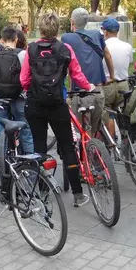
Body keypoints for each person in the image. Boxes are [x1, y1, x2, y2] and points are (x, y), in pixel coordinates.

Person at [21, 13, 94, 208]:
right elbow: (77, 74)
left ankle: (43, 192)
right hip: (57, 104)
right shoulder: (65, 49)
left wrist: (32, 90)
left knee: (39, 147)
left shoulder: (31, 49)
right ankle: (78, 194)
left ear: (41, 28)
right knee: (67, 146)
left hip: (35, 104)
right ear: (57, 29)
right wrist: (89, 87)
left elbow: (24, 79)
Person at [61, 8, 115, 136]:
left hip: (78, 91)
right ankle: (98, 149)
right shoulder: (97, 34)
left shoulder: (66, 38)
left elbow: (68, 65)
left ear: (72, 21)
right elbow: (107, 55)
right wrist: (112, 76)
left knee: (80, 130)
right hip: (97, 88)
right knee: (97, 126)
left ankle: (84, 151)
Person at [0, 26, 33, 154]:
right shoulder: (23, 55)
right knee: (26, 130)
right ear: (16, 39)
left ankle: (4, 164)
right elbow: (28, 78)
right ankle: (30, 164)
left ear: (2, 40)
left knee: (2, 131)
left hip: (0, 98)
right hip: (19, 97)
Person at [100, 18, 132, 142]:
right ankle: (126, 144)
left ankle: (111, 144)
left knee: (107, 114)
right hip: (123, 85)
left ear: (106, 32)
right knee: (124, 115)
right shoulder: (127, 46)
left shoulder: (103, 46)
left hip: (107, 84)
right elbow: (129, 63)